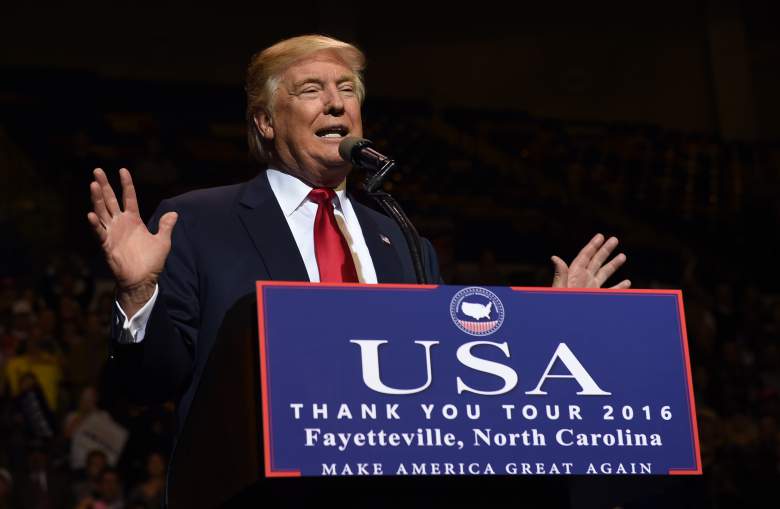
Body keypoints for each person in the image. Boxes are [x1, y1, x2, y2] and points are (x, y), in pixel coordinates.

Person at [86, 33, 629, 501]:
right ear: (265, 122)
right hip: (253, 496)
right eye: (311, 90)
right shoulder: (199, 222)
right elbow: (147, 384)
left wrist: (554, 327)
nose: (336, 103)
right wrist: (137, 293)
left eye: (347, 90)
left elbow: (453, 378)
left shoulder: (401, 238)